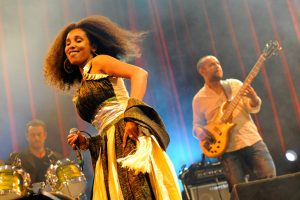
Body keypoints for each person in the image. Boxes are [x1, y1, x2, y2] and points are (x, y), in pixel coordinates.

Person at [43, 15, 181, 199]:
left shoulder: (99, 62)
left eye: (78, 40)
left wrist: (132, 115)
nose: (71, 46)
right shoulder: (83, 82)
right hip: (109, 147)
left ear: (93, 46)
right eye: (67, 43)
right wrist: (87, 143)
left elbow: (139, 74)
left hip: (127, 134)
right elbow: (105, 127)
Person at [192, 55, 276, 192]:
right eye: (212, 64)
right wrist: (200, 132)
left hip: (251, 140)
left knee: (270, 179)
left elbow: (253, 107)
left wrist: (254, 99)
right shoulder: (199, 99)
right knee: (238, 190)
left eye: (218, 63)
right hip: (227, 150)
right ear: (202, 70)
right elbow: (196, 126)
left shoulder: (235, 84)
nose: (218, 66)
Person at [9, 119, 62, 184]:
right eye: (33, 135)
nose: (36, 138)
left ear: (45, 135)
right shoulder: (17, 159)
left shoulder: (55, 158)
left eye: (39, 134)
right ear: (27, 136)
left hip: (54, 194)